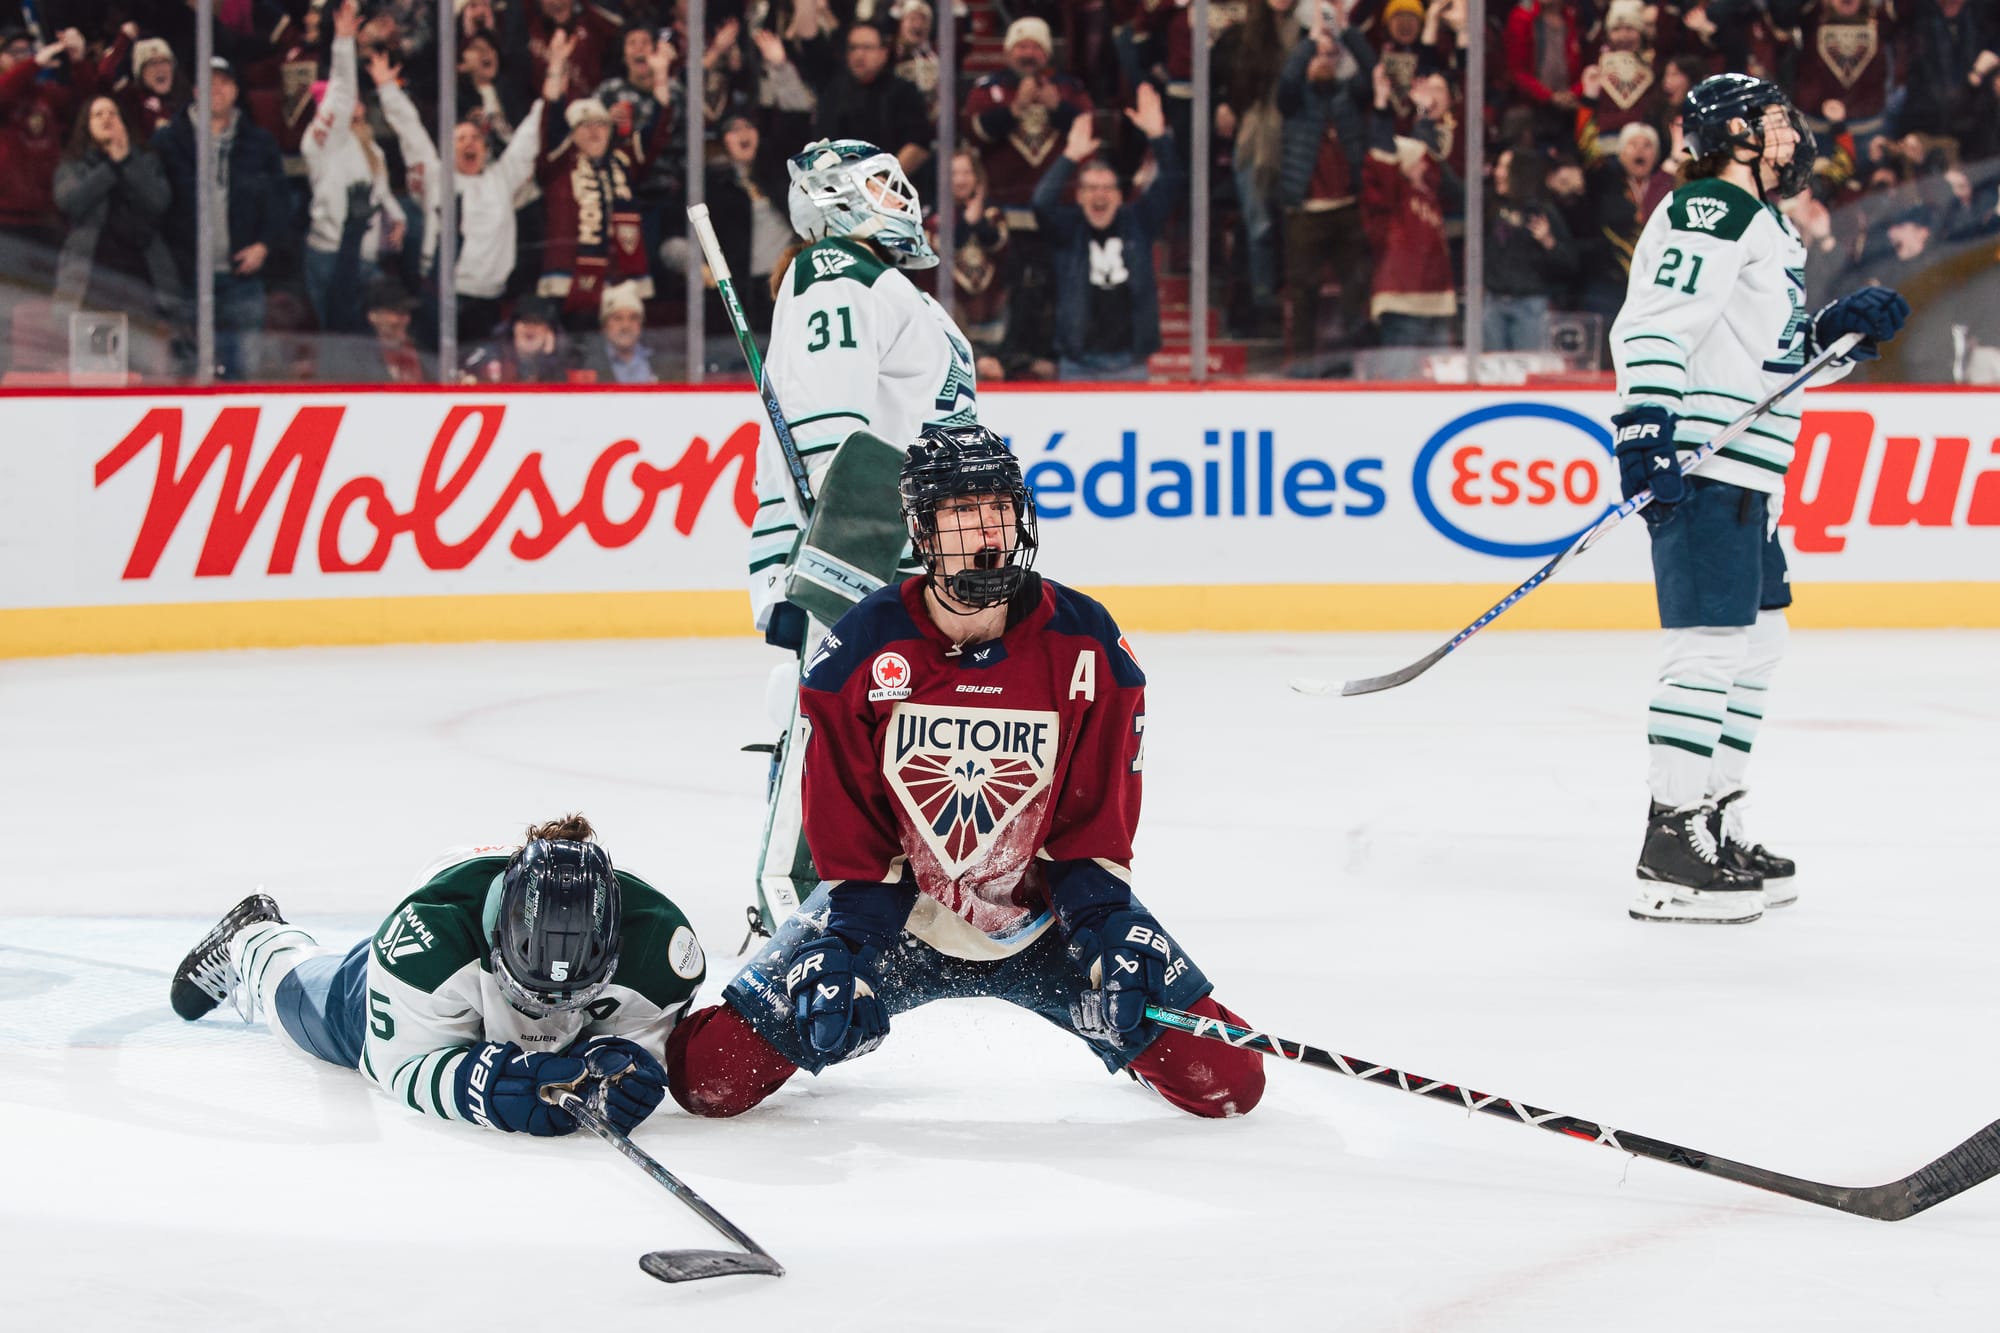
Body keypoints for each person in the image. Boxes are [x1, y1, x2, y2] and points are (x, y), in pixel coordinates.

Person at [668, 425, 1265, 1122]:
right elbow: (856, 851)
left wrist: (1110, 938)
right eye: (963, 510)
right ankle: (852, 1019)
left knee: (1229, 1078)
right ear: (922, 530)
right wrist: (844, 953)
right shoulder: (855, 655)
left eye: (1000, 507)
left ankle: (1119, 1022)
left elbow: (1089, 832)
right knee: (708, 1075)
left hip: (1048, 925)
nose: (989, 527)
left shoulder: (1090, 644)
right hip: (897, 923)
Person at [1609, 74, 1908, 924]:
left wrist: (1834, 335)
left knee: (1759, 638)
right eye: (1773, 123)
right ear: (1732, 135)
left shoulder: (1766, 227)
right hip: (1708, 464)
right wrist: (1645, 426)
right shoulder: (1710, 208)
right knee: (1708, 645)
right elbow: (1656, 322)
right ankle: (1669, 842)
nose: (1791, 137)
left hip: (1747, 470)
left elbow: (1768, 361)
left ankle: (1716, 812)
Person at [745, 137, 979, 939]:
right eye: (878, 180)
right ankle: (790, 909)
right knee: (830, 722)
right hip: (851, 545)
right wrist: (839, 569)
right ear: (832, 196)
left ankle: (864, 906)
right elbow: (831, 438)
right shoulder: (834, 273)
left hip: (899, 550)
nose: (900, 193)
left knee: (891, 734)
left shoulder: (891, 289)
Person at [169, 814, 701, 1137]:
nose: (548, 1013)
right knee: (303, 1004)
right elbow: (394, 1066)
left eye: (571, 996)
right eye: (528, 992)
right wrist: (485, 1091)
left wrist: (622, 1068)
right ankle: (256, 937)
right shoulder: (426, 940)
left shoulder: (660, 948)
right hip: (428, 993)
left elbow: (636, 1047)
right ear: (493, 939)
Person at [1033, 83, 1180, 381]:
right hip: (1079, 365)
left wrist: (1157, 136)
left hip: (1130, 364)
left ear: (1119, 195)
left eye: (1107, 188)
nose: (1099, 196)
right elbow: (1041, 203)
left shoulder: (1138, 221)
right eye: (1090, 188)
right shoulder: (1069, 229)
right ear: (1079, 196)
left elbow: (1172, 183)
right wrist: (1070, 157)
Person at [153, 55, 286, 381]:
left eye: (224, 82)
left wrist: (264, 245)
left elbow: (279, 203)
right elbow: (151, 206)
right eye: (209, 83)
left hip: (241, 279)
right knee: (184, 374)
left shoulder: (260, 143)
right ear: (196, 90)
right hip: (186, 278)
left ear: (236, 91)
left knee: (243, 376)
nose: (217, 90)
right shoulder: (168, 142)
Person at [573, 279, 656, 381]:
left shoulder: (660, 360)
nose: (626, 326)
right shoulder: (588, 366)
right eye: (618, 318)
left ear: (641, 324)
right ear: (604, 327)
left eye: (633, 318)